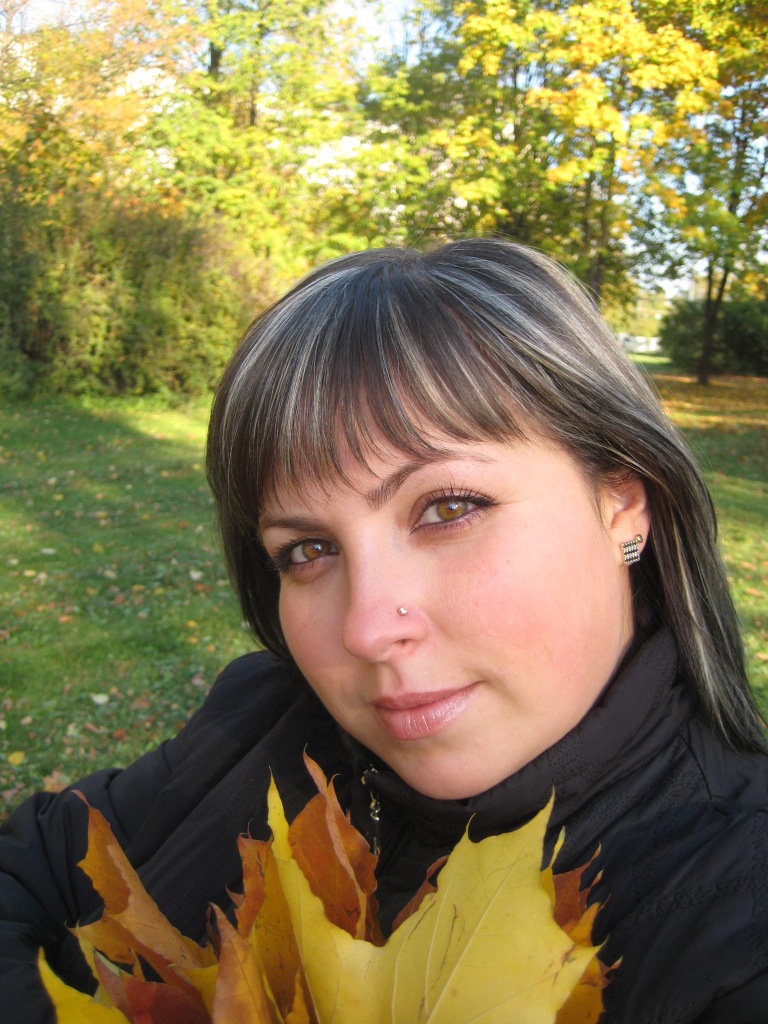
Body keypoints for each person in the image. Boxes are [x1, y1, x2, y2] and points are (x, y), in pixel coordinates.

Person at [1, 239, 766, 1022]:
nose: (366, 630)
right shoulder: (262, 719)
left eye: (448, 508)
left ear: (622, 502)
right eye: (308, 550)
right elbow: (36, 864)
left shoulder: (736, 931)